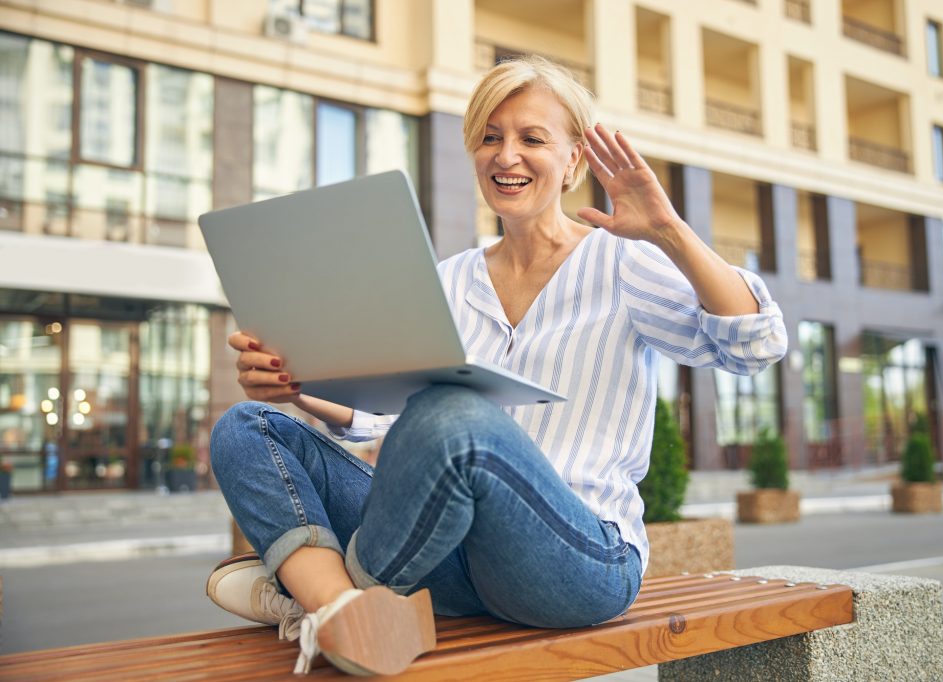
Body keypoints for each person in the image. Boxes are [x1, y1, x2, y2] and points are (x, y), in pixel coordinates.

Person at [205, 56, 787, 676]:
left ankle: (311, 586)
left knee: (455, 412)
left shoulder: (623, 262)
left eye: (532, 138)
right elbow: (399, 430)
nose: (506, 155)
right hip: (452, 563)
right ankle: (340, 610)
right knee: (248, 426)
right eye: (490, 137)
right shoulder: (450, 282)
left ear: (573, 163)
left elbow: (756, 345)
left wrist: (668, 230)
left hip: (578, 561)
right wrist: (298, 391)